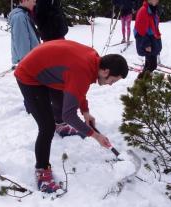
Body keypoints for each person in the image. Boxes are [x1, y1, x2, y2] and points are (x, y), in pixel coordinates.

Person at [15, 40, 128, 193]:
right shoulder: (82, 70)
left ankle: (60, 126)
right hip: (29, 75)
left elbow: (77, 88)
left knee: (64, 99)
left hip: (47, 70)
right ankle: (42, 170)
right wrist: (95, 135)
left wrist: (86, 112)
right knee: (46, 127)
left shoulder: (93, 59)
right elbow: (69, 114)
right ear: (105, 72)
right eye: (112, 81)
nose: (110, 84)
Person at [134, 0, 162, 78]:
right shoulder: (143, 10)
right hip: (148, 42)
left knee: (149, 64)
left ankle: (142, 82)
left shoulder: (153, 9)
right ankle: (141, 81)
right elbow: (140, 29)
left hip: (152, 40)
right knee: (152, 65)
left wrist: (158, 38)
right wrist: (146, 44)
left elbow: (154, 26)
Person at [9, 0, 40, 66]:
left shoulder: (25, 15)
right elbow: (22, 43)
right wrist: (27, 65)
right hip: (28, 63)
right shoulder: (19, 17)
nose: (35, 4)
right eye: (33, 1)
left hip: (31, 60)